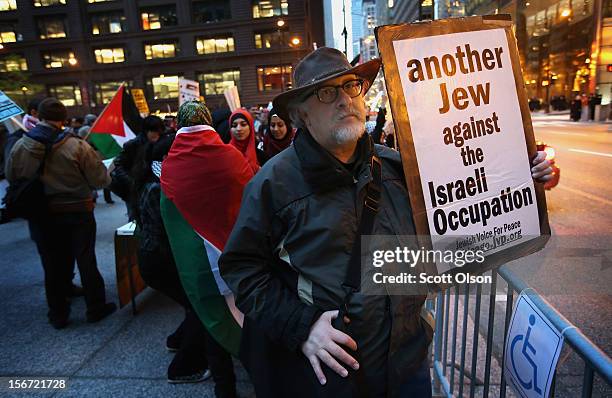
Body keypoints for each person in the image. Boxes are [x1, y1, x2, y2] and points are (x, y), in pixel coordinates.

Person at [218, 47, 555, 397]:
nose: (345, 100)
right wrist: (301, 327)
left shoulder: (399, 168)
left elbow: (471, 200)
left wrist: (527, 177)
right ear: (301, 114)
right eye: (327, 92)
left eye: (351, 87)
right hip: (333, 373)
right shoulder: (274, 183)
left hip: (407, 363)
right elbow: (242, 268)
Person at [161, 101, 252, 397]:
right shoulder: (231, 156)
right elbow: (251, 199)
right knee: (249, 316)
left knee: (213, 320)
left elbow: (171, 217)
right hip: (239, 255)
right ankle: (262, 373)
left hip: (202, 264)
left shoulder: (171, 165)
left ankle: (224, 388)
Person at [6, 98, 116, 329]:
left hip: (41, 213)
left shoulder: (21, 145)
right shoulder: (77, 146)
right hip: (77, 210)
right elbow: (100, 180)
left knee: (51, 262)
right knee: (85, 258)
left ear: (40, 115)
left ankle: (58, 314)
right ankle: (95, 307)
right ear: (64, 118)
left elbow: (12, 176)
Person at [131, 133, 213, 384]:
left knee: (193, 305)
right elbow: (170, 231)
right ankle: (183, 368)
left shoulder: (156, 180)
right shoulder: (158, 187)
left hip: (157, 259)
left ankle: (177, 341)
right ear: (165, 157)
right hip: (160, 261)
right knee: (201, 307)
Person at [110, 115, 160, 215]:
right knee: (136, 217)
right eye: (153, 131)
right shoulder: (133, 144)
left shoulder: (160, 142)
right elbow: (118, 165)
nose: (156, 135)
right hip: (134, 190)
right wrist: (132, 182)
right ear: (146, 131)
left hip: (152, 188)